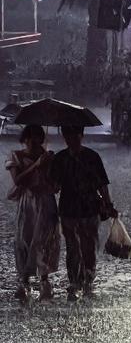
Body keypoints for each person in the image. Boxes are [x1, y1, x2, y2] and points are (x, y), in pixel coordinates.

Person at [50, 126, 118, 301]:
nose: (71, 139)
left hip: (89, 207)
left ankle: (88, 273)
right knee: (72, 245)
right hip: (69, 208)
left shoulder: (92, 157)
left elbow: (102, 184)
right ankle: (75, 279)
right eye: (68, 136)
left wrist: (108, 203)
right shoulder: (60, 158)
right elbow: (55, 187)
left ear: (81, 135)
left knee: (88, 243)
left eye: (74, 135)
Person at [5, 125, 60, 302]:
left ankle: (44, 281)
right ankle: (25, 280)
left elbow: (55, 183)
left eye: (37, 137)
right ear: (25, 139)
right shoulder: (16, 156)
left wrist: (49, 165)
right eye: (30, 137)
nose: (33, 141)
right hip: (27, 203)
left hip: (45, 201)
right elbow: (18, 180)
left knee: (43, 239)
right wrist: (36, 165)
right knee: (24, 239)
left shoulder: (48, 157)